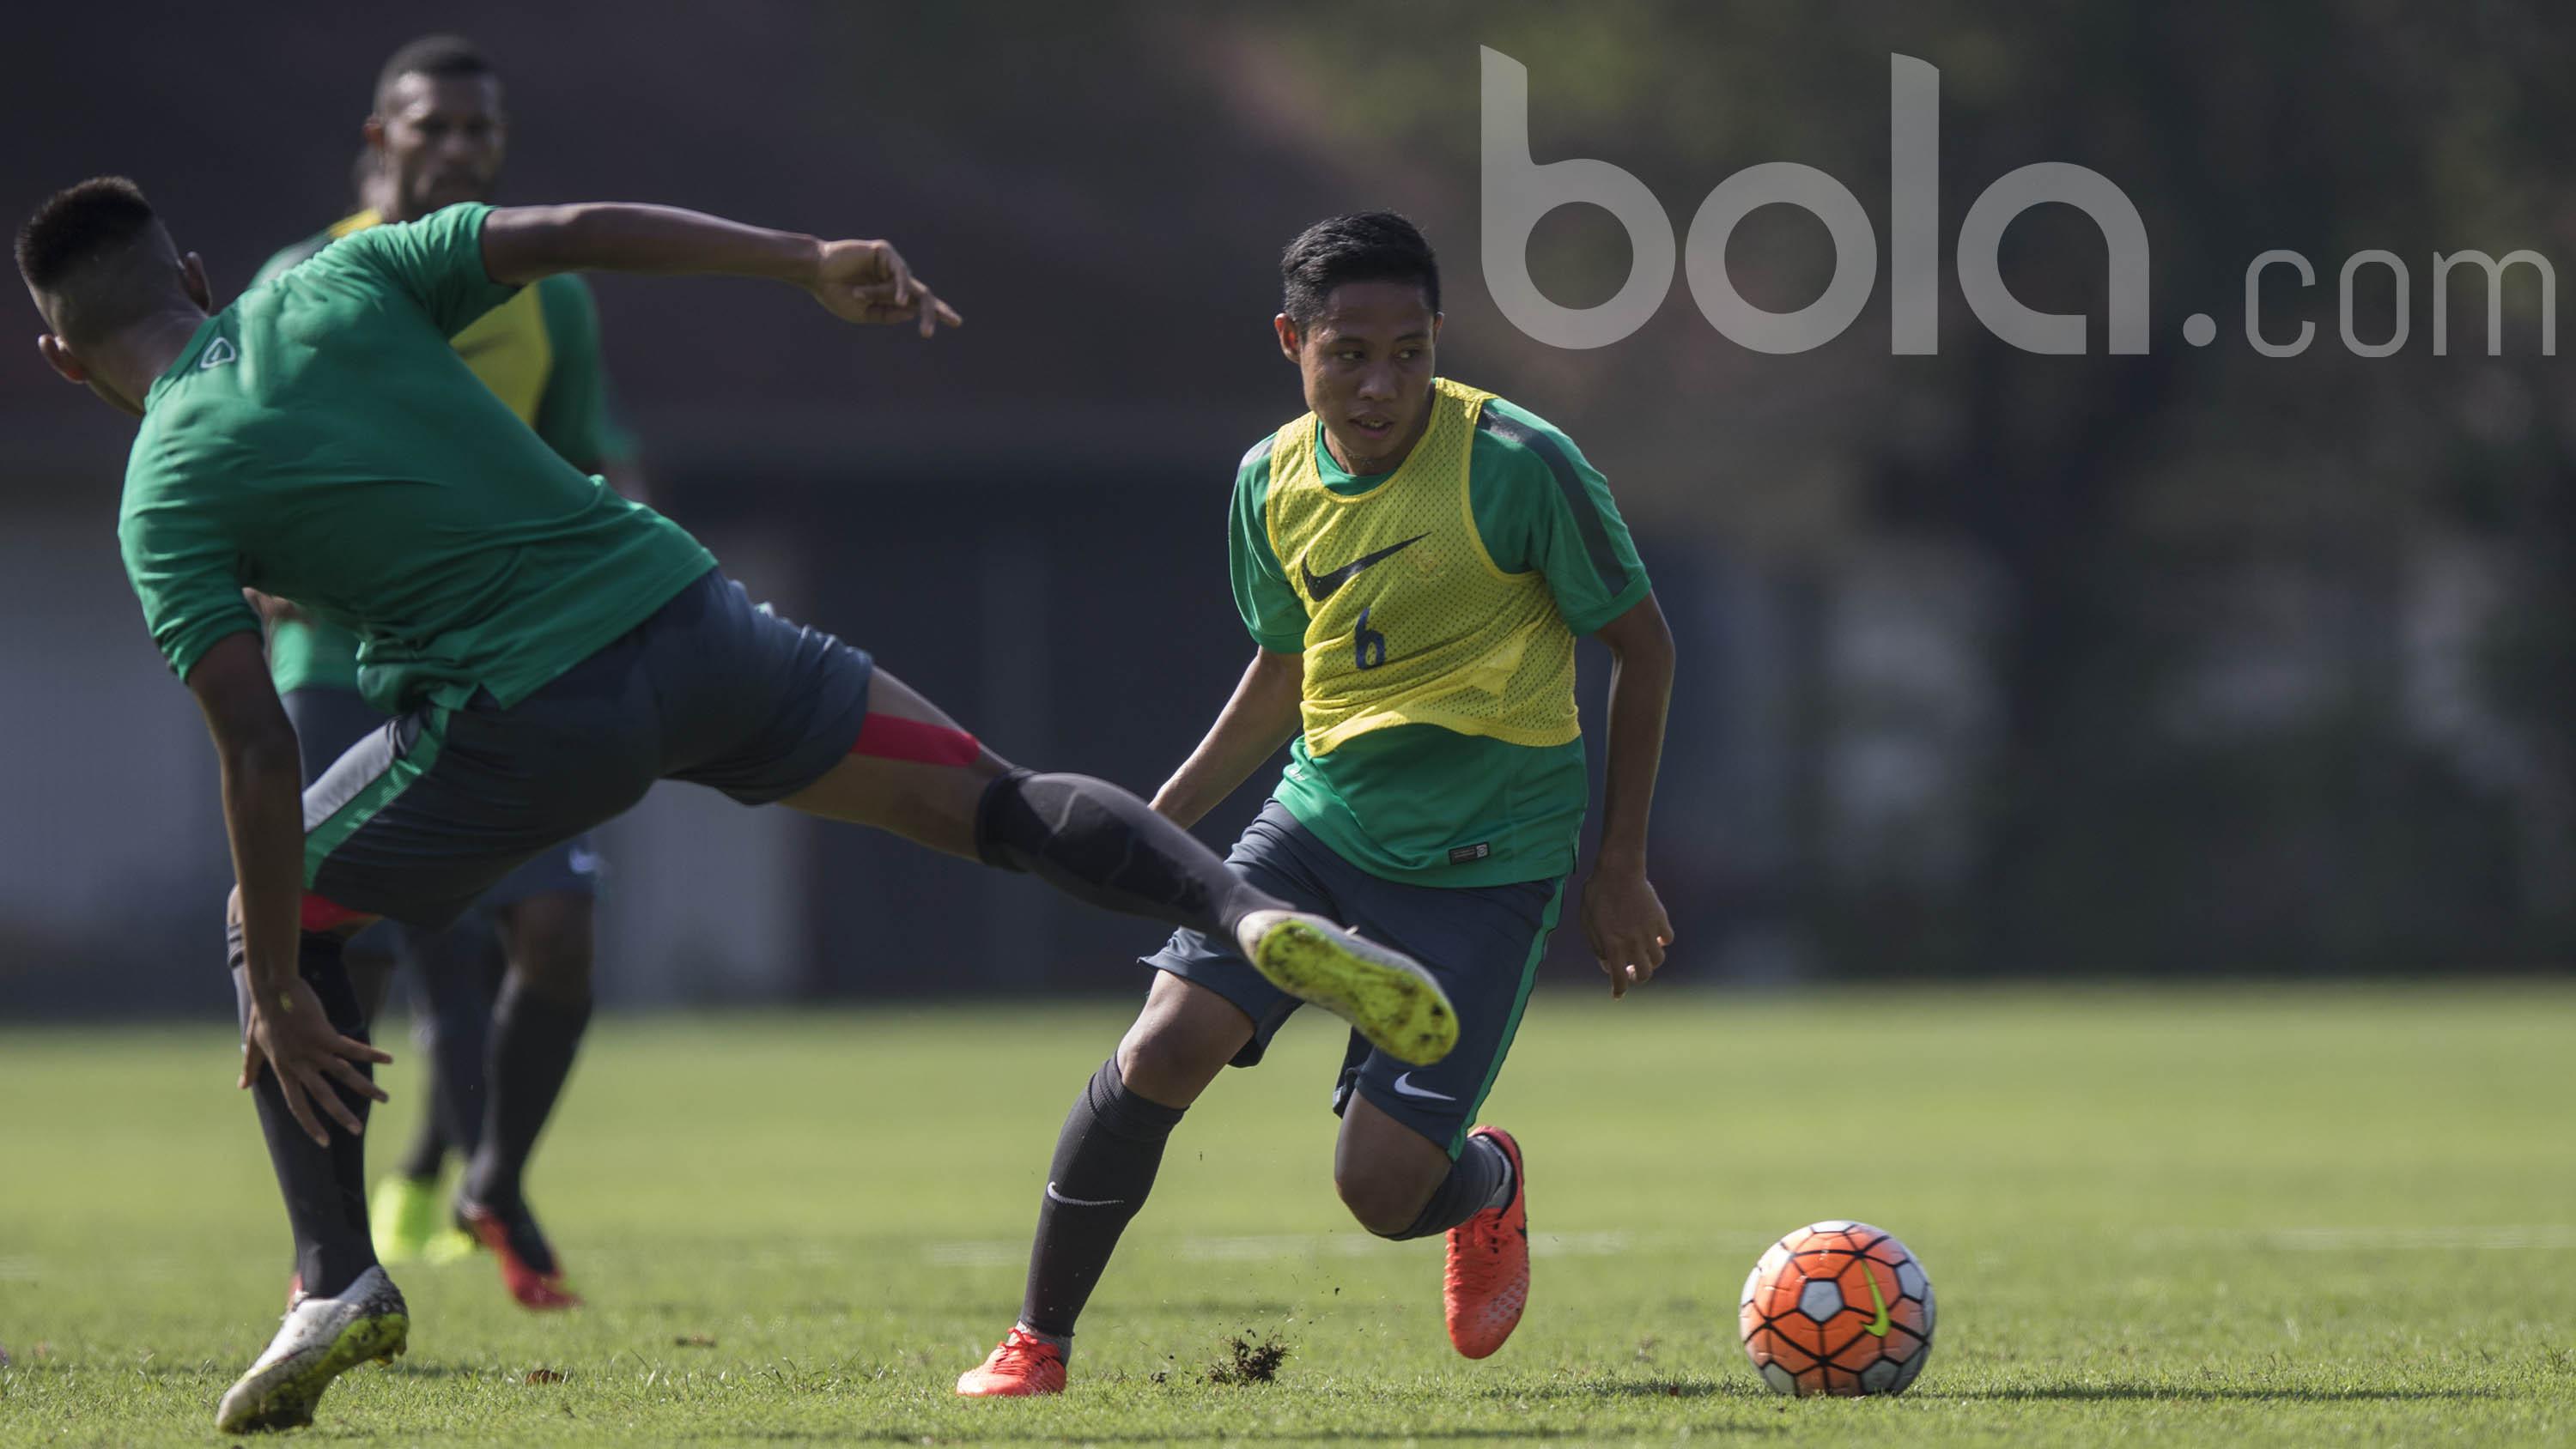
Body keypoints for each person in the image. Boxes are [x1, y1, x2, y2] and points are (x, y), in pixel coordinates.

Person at [16, 179, 1461, 1434]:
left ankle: (335, 1277)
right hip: (699, 625)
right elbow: (575, 231)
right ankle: (1247, 904)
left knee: (278, 923)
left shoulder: (163, 490)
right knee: (999, 802)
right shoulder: (333, 276)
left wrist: (272, 985)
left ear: (64, 361)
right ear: (196, 277)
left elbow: (260, 754)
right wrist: (806, 258)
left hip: (536, 723)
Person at [955, 213, 1676, 1397]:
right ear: (1293, 342)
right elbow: (1287, 676)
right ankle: (1038, 1345)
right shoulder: (1267, 481)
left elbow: (1643, 653)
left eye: (1409, 351)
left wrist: (1620, 865)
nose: (1381, 382)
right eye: (1349, 353)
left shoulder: (1518, 463)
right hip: (1321, 825)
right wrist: (1158, 827)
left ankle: (1484, 1182)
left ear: (1438, 340)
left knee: (1379, 1193)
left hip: (1488, 866)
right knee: (1163, 1047)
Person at [246, 33, 648, 1307]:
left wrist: (634, 547)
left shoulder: (548, 293)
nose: (463, 150)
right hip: (335, 653)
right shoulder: (302, 279)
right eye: (436, 129)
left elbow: (594, 453)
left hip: (497, 652)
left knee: (560, 933)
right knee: (336, 948)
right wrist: (244, 539)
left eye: (483, 132)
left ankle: (492, 1177)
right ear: (382, 139)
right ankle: (335, 1254)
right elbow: (221, 441)